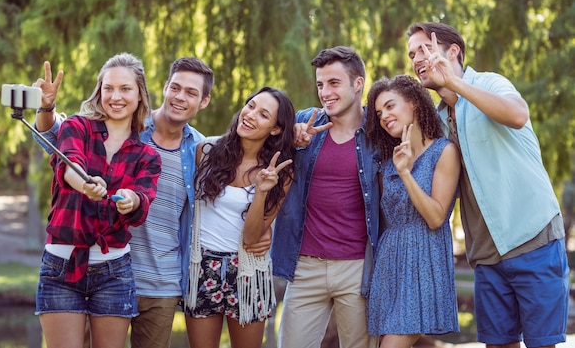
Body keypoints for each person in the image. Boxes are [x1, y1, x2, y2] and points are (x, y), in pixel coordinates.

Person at [33, 57, 273, 348]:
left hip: (161, 283)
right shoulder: (124, 121)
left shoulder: (205, 152)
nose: (180, 97)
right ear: (163, 88)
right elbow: (59, 138)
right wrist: (46, 108)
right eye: (176, 87)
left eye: (191, 92)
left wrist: (266, 225)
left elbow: (232, 194)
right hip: (105, 265)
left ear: (204, 101)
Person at [407, 22, 569, 348]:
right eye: (411, 54)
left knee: (543, 344)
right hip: (486, 255)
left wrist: (455, 83)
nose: (417, 59)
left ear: (453, 51)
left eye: (425, 48)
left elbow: (518, 114)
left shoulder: (489, 82)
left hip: (533, 239)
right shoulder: (435, 123)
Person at [34, 52, 162, 348]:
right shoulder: (76, 127)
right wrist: (86, 185)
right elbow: (69, 166)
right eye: (109, 88)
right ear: (99, 92)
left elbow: (142, 199)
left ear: (140, 95)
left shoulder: (148, 156)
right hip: (60, 265)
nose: (115, 97)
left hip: (113, 271)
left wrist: (130, 199)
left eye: (125, 89)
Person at [272, 46, 380, 348]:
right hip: (306, 265)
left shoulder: (380, 129)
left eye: (334, 83)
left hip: (357, 268)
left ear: (357, 84)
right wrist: (290, 141)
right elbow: (253, 149)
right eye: (320, 84)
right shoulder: (306, 122)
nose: (325, 92)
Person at [183, 86, 296, 348]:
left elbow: (252, 236)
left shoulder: (280, 173)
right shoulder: (205, 151)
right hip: (202, 268)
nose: (250, 114)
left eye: (263, 114)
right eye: (251, 105)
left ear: (276, 129)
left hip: (248, 274)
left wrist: (261, 192)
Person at [365, 74, 460, 347]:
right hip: (389, 262)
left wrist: (405, 172)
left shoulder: (445, 152)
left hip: (422, 260)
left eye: (390, 106)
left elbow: (435, 217)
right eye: (380, 113)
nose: (384, 116)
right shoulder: (387, 161)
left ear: (414, 103)